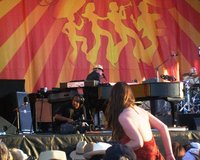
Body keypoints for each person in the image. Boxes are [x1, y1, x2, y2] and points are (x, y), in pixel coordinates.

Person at [105, 82, 175, 160]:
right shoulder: (141, 111)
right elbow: (163, 127)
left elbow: (138, 142)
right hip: (155, 155)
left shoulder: (123, 116)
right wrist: (169, 154)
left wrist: (117, 150)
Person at [84, 64, 107, 129]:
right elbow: (98, 88)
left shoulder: (89, 75)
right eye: (102, 71)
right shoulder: (96, 75)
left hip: (89, 100)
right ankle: (104, 123)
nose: (102, 73)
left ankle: (97, 124)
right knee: (106, 103)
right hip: (94, 100)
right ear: (98, 70)